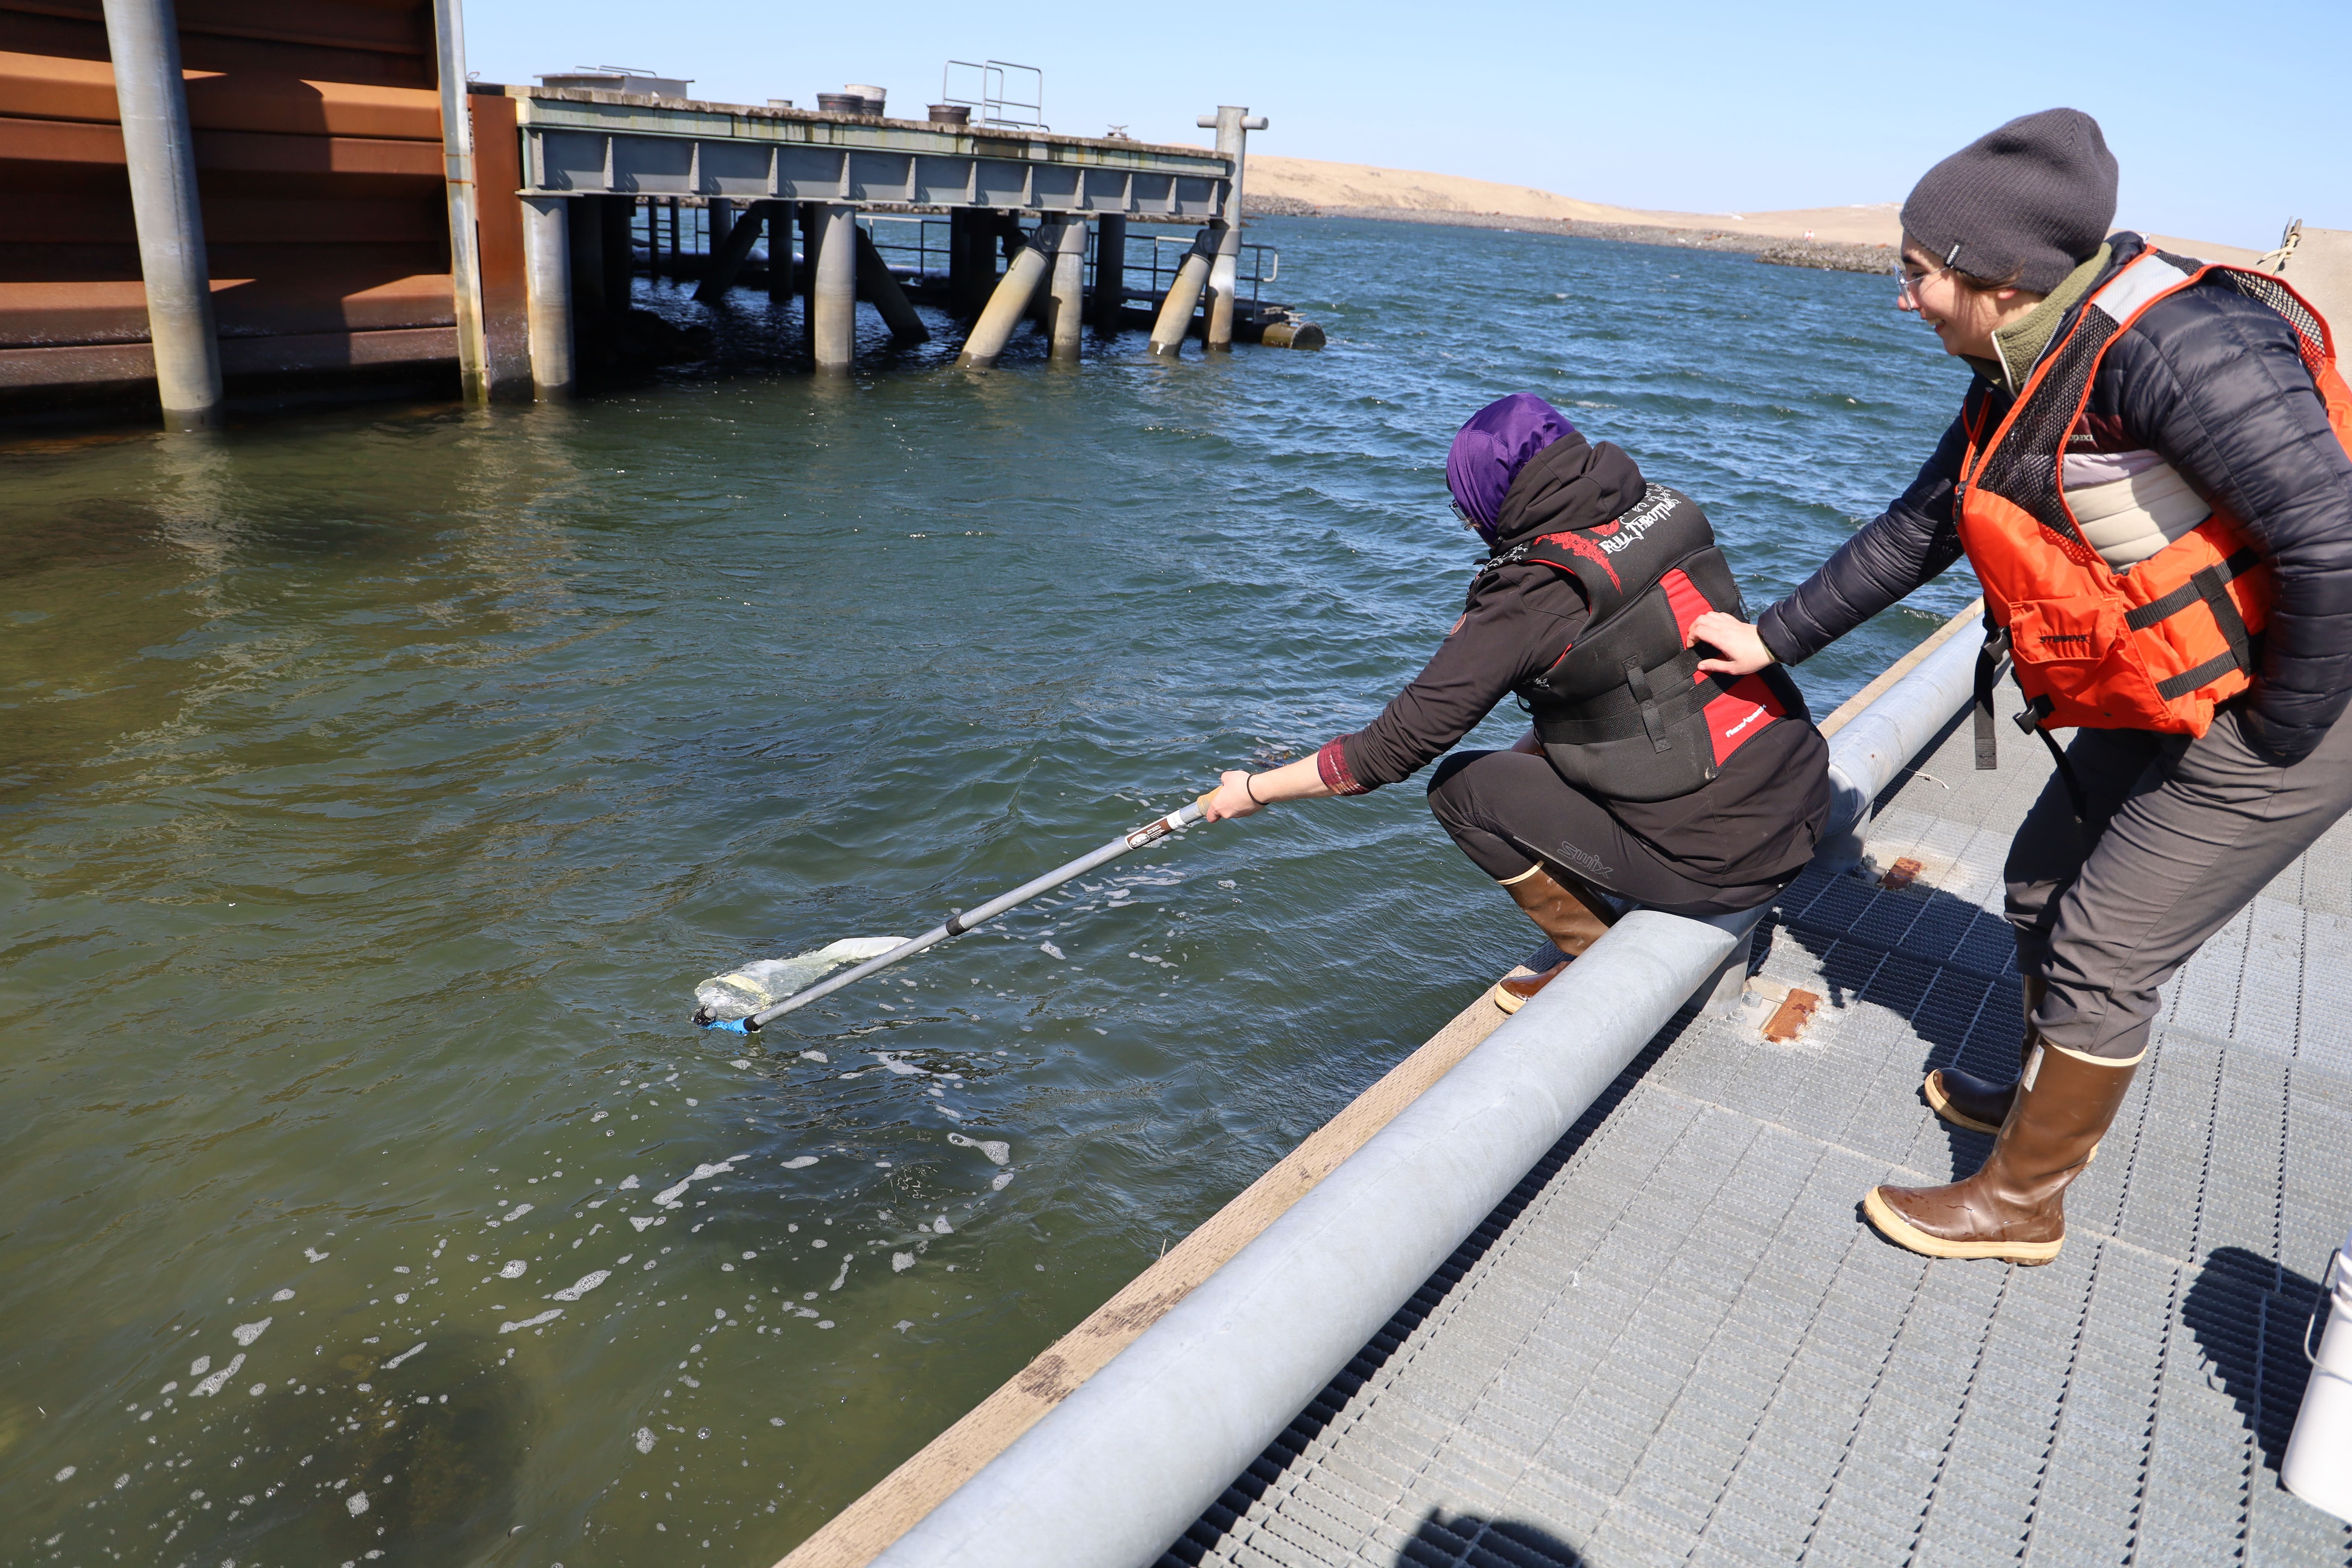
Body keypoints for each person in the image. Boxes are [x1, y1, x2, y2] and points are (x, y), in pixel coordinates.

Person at [1690, 108, 2352, 1266]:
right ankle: (2044, 1101)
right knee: (2042, 877)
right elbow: (1924, 527)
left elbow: (2335, 540)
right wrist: (1772, 641)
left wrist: (2280, 732)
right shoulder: (2024, 357)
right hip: (2197, 676)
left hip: (2310, 690)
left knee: (2105, 943)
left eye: (1917, 275)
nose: (1903, 299)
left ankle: (2023, 1203)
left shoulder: (2176, 350)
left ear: (1998, 279)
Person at [1203, 393, 1832, 1014]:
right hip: (1804, 789)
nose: (1469, 520)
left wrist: (1252, 792)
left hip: (1727, 865)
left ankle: (1593, 958)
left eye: (1465, 506)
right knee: (1555, 742)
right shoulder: (1666, 507)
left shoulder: (1531, 590)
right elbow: (1634, 674)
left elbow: (1388, 751)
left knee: (1462, 790)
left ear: (1492, 497)